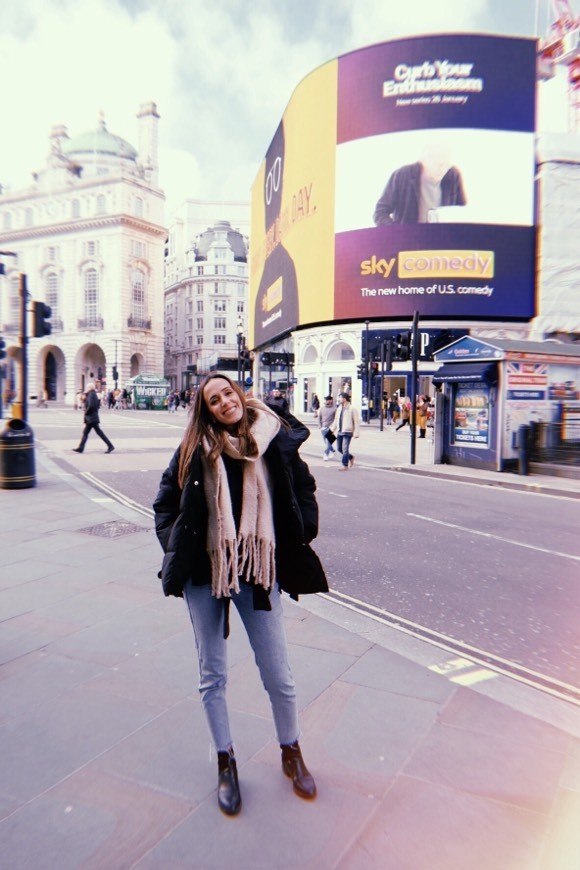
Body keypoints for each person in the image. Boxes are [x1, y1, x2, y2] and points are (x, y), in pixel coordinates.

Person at [153, 373, 328, 817]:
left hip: (257, 568)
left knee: (279, 674)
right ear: (206, 409)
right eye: (214, 400)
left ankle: (291, 751)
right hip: (203, 574)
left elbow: (303, 489)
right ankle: (225, 761)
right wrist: (180, 545)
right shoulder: (193, 449)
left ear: (239, 394)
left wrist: (301, 530)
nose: (225, 402)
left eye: (228, 393)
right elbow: (164, 506)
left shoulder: (272, 438)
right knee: (212, 674)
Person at [373, 140, 466, 225]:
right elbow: (380, 213)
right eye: (439, 165)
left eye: (447, 164)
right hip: (409, 239)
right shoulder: (402, 175)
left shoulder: (453, 175)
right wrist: (397, 234)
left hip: (441, 238)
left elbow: (460, 211)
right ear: (423, 161)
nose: (443, 169)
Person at [73, 382, 115, 454]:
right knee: (90, 433)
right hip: (92, 417)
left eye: (87, 387)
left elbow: (91, 405)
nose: (86, 388)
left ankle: (110, 446)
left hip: (91, 418)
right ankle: (81, 448)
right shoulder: (92, 394)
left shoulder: (91, 394)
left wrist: (86, 412)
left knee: (91, 433)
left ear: (89, 388)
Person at [331, 391, 360, 471]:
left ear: (344, 399)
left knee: (345, 448)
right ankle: (351, 457)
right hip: (340, 431)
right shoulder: (339, 408)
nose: (339, 399)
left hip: (348, 431)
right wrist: (332, 430)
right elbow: (336, 420)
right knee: (339, 448)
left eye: (340, 397)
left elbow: (356, 421)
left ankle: (345, 465)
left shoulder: (352, 409)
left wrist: (356, 433)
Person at [318, 394, 337, 460]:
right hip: (323, 427)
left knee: (328, 442)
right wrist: (320, 426)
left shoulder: (334, 409)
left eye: (327, 400)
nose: (326, 401)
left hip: (330, 428)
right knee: (326, 442)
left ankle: (325, 454)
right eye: (326, 400)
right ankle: (333, 451)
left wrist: (333, 426)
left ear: (331, 400)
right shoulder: (322, 408)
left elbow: (336, 418)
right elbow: (319, 418)